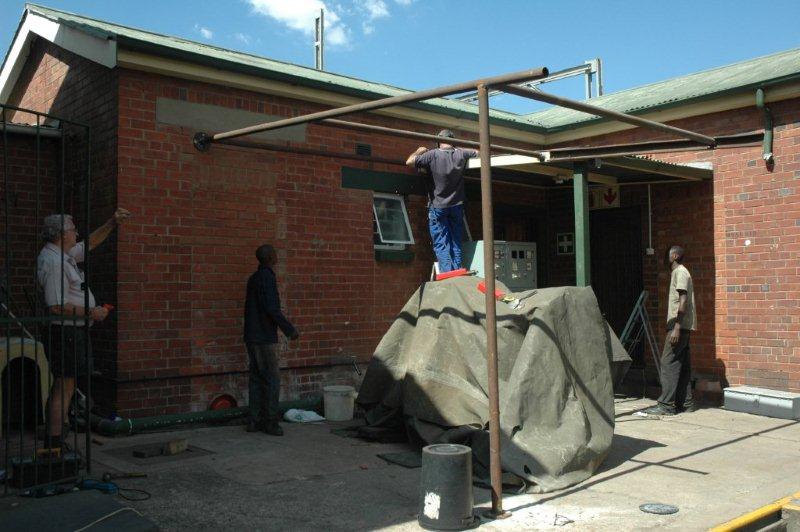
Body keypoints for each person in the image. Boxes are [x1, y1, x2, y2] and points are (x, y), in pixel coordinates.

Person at [37, 208, 131, 447]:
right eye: (72, 229)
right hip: (65, 331)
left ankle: (56, 436)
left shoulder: (64, 253)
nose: (76, 233)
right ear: (61, 234)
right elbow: (56, 306)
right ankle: (55, 441)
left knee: (67, 383)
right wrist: (92, 312)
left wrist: (112, 223)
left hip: (72, 331)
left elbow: (89, 244)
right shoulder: (53, 261)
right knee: (64, 383)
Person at [243, 244, 299, 436]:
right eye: (274, 254)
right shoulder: (267, 278)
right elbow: (271, 308)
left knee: (256, 378)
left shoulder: (253, 279)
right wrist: (289, 329)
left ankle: (254, 420)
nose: (277, 256)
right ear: (270, 258)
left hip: (251, 336)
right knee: (272, 379)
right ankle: (270, 422)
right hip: (264, 337)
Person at [406, 130, 479, 273]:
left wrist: (418, 151)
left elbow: (409, 162)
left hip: (438, 206)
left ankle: (448, 274)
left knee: (441, 242)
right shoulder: (461, 153)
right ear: (452, 141)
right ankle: (457, 271)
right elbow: (479, 152)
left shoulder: (432, 154)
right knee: (455, 240)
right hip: (457, 206)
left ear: (438, 141)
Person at [644, 245, 697, 416]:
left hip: (678, 325)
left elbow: (683, 301)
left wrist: (676, 327)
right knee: (682, 366)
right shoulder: (682, 272)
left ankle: (666, 405)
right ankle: (686, 403)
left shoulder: (680, 272)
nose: (665, 258)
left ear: (674, 256)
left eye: (667, 255)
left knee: (667, 363)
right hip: (684, 325)